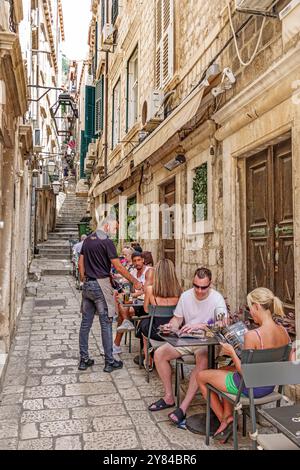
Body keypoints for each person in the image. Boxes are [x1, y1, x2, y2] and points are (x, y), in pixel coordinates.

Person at [196, 287, 291, 443]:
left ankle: (225, 420)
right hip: (269, 385)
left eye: (250, 308)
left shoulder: (252, 335)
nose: (250, 312)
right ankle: (228, 415)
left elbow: (245, 374)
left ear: (257, 306)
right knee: (223, 369)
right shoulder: (284, 333)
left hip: (250, 387)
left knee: (201, 376)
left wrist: (232, 352)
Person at [148, 267, 227, 426]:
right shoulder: (185, 296)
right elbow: (177, 319)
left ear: (210, 284)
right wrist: (171, 326)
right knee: (159, 354)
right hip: (187, 339)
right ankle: (169, 397)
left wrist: (200, 325)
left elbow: (222, 325)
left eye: (203, 287)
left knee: (203, 359)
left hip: (207, 341)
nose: (199, 291)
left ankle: (183, 407)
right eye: (196, 286)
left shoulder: (217, 299)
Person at [78, 215, 142, 373]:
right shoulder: (107, 242)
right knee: (106, 322)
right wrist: (134, 281)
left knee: (85, 324)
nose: (115, 231)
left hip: (88, 284)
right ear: (107, 226)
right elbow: (119, 267)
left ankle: (84, 359)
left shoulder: (88, 240)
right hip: (101, 286)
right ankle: (109, 361)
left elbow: (81, 263)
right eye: (115, 228)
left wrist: (85, 279)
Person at [139, 259, 182, 371]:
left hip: (155, 332)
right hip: (173, 332)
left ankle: (148, 358)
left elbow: (146, 310)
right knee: (145, 325)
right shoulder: (179, 290)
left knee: (143, 326)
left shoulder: (150, 290)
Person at [113, 252, 153, 354]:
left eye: (139, 260)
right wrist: (123, 294)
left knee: (123, 313)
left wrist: (129, 296)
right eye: (134, 261)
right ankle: (126, 323)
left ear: (143, 260)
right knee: (120, 301)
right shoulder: (134, 272)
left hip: (146, 303)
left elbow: (145, 290)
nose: (137, 263)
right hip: (136, 301)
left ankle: (117, 344)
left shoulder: (149, 271)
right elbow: (127, 287)